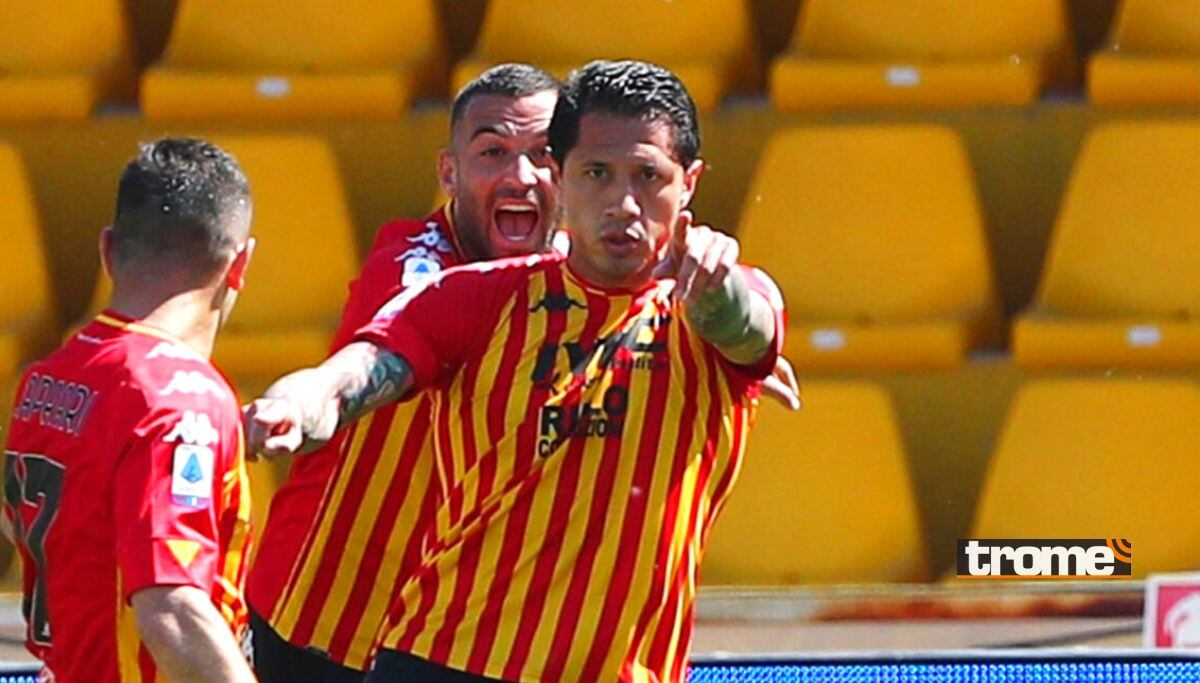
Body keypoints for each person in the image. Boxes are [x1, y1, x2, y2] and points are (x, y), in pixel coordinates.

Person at [247, 59, 790, 683]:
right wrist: (304, 400)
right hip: (348, 617)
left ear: (688, 184)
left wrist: (722, 315)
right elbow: (359, 365)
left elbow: (746, 323)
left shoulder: (710, 296)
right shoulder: (450, 283)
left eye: (647, 176)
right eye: (597, 173)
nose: (622, 200)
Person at [245, 63, 563, 683]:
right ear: (449, 172)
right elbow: (377, 349)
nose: (520, 176)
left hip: (457, 637)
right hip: (325, 621)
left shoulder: (586, 282)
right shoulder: (415, 262)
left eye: (544, 155)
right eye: (493, 152)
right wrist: (308, 401)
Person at [2, 139, 256, 682]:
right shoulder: (182, 399)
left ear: (108, 250)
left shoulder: (46, 378)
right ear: (240, 265)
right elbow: (173, 609)